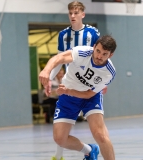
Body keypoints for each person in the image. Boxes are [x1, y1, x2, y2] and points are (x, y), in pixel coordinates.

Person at [39, 35, 116, 160]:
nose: (99, 56)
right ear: (94, 47)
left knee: (100, 135)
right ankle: (89, 150)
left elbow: (89, 94)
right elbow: (59, 58)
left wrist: (69, 91)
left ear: (110, 55)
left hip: (90, 98)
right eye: (98, 51)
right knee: (60, 139)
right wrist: (46, 71)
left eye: (104, 54)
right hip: (68, 97)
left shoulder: (109, 72)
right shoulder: (82, 53)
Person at [46, 1, 100, 160]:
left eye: (76, 13)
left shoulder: (92, 33)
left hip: (88, 85)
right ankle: (61, 155)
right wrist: (48, 79)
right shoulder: (63, 35)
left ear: (83, 14)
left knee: (97, 130)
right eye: (70, 13)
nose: (73, 16)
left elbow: (99, 58)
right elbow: (59, 60)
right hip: (68, 84)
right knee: (61, 127)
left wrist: (101, 82)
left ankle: (89, 150)